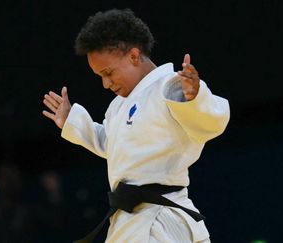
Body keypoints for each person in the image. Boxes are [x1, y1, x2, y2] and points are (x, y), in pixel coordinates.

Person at [42, 9, 230, 243]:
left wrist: (195, 97)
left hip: (159, 221)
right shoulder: (119, 106)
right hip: (133, 221)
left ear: (133, 56)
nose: (105, 83)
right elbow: (114, 147)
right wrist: (74, 122)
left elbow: (213, 121)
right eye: (99, 76)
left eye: (108, 72)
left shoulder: (170, 87)